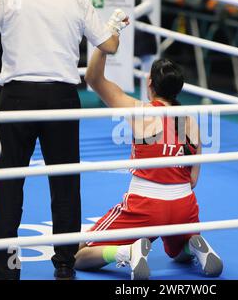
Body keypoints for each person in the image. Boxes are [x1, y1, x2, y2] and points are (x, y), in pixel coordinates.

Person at [0, 0, 127, 280]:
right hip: (61, 98)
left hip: (18, 98)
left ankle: (6, 267)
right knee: (65, 183)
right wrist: (116, 26)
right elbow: (109, 45)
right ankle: (65, 264)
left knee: (10, 182)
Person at [74, 49, 223, 280]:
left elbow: (93, 78)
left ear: (150, 83)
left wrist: (105, 41)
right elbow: (193, 180)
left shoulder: (141, 112)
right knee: (176, 253)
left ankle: (126, 251)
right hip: (183, 206)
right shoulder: (190, 123)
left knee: (78, 254)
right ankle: (192, 245)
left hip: (145, 205)